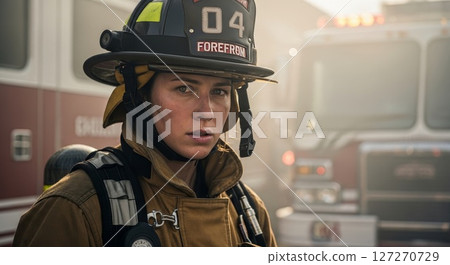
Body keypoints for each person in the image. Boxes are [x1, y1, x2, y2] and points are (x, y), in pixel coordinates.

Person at [13, 0, 277, 247]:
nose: (206, 112)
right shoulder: (74, 209)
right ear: (139, 96)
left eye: (220, 91)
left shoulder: (248, 210)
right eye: (184, 88)